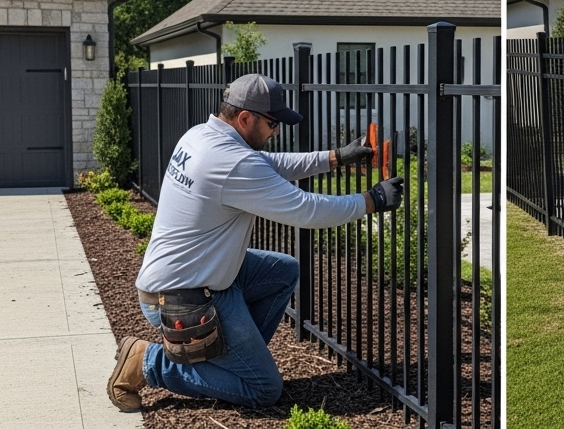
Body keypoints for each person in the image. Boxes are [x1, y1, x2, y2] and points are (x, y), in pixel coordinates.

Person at [106, 73, 405, 411]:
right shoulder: (232, 162)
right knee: (262, 389)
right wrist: (371, 200)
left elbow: (270, 164)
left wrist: (334, 157)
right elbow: (307, 210)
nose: (276, 131)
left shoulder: (201, 136)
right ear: (245, 118)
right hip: (184, 298)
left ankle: (231, 359)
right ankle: (148, 361)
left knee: (283, 270)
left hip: (196, 277)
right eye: (272, 123)